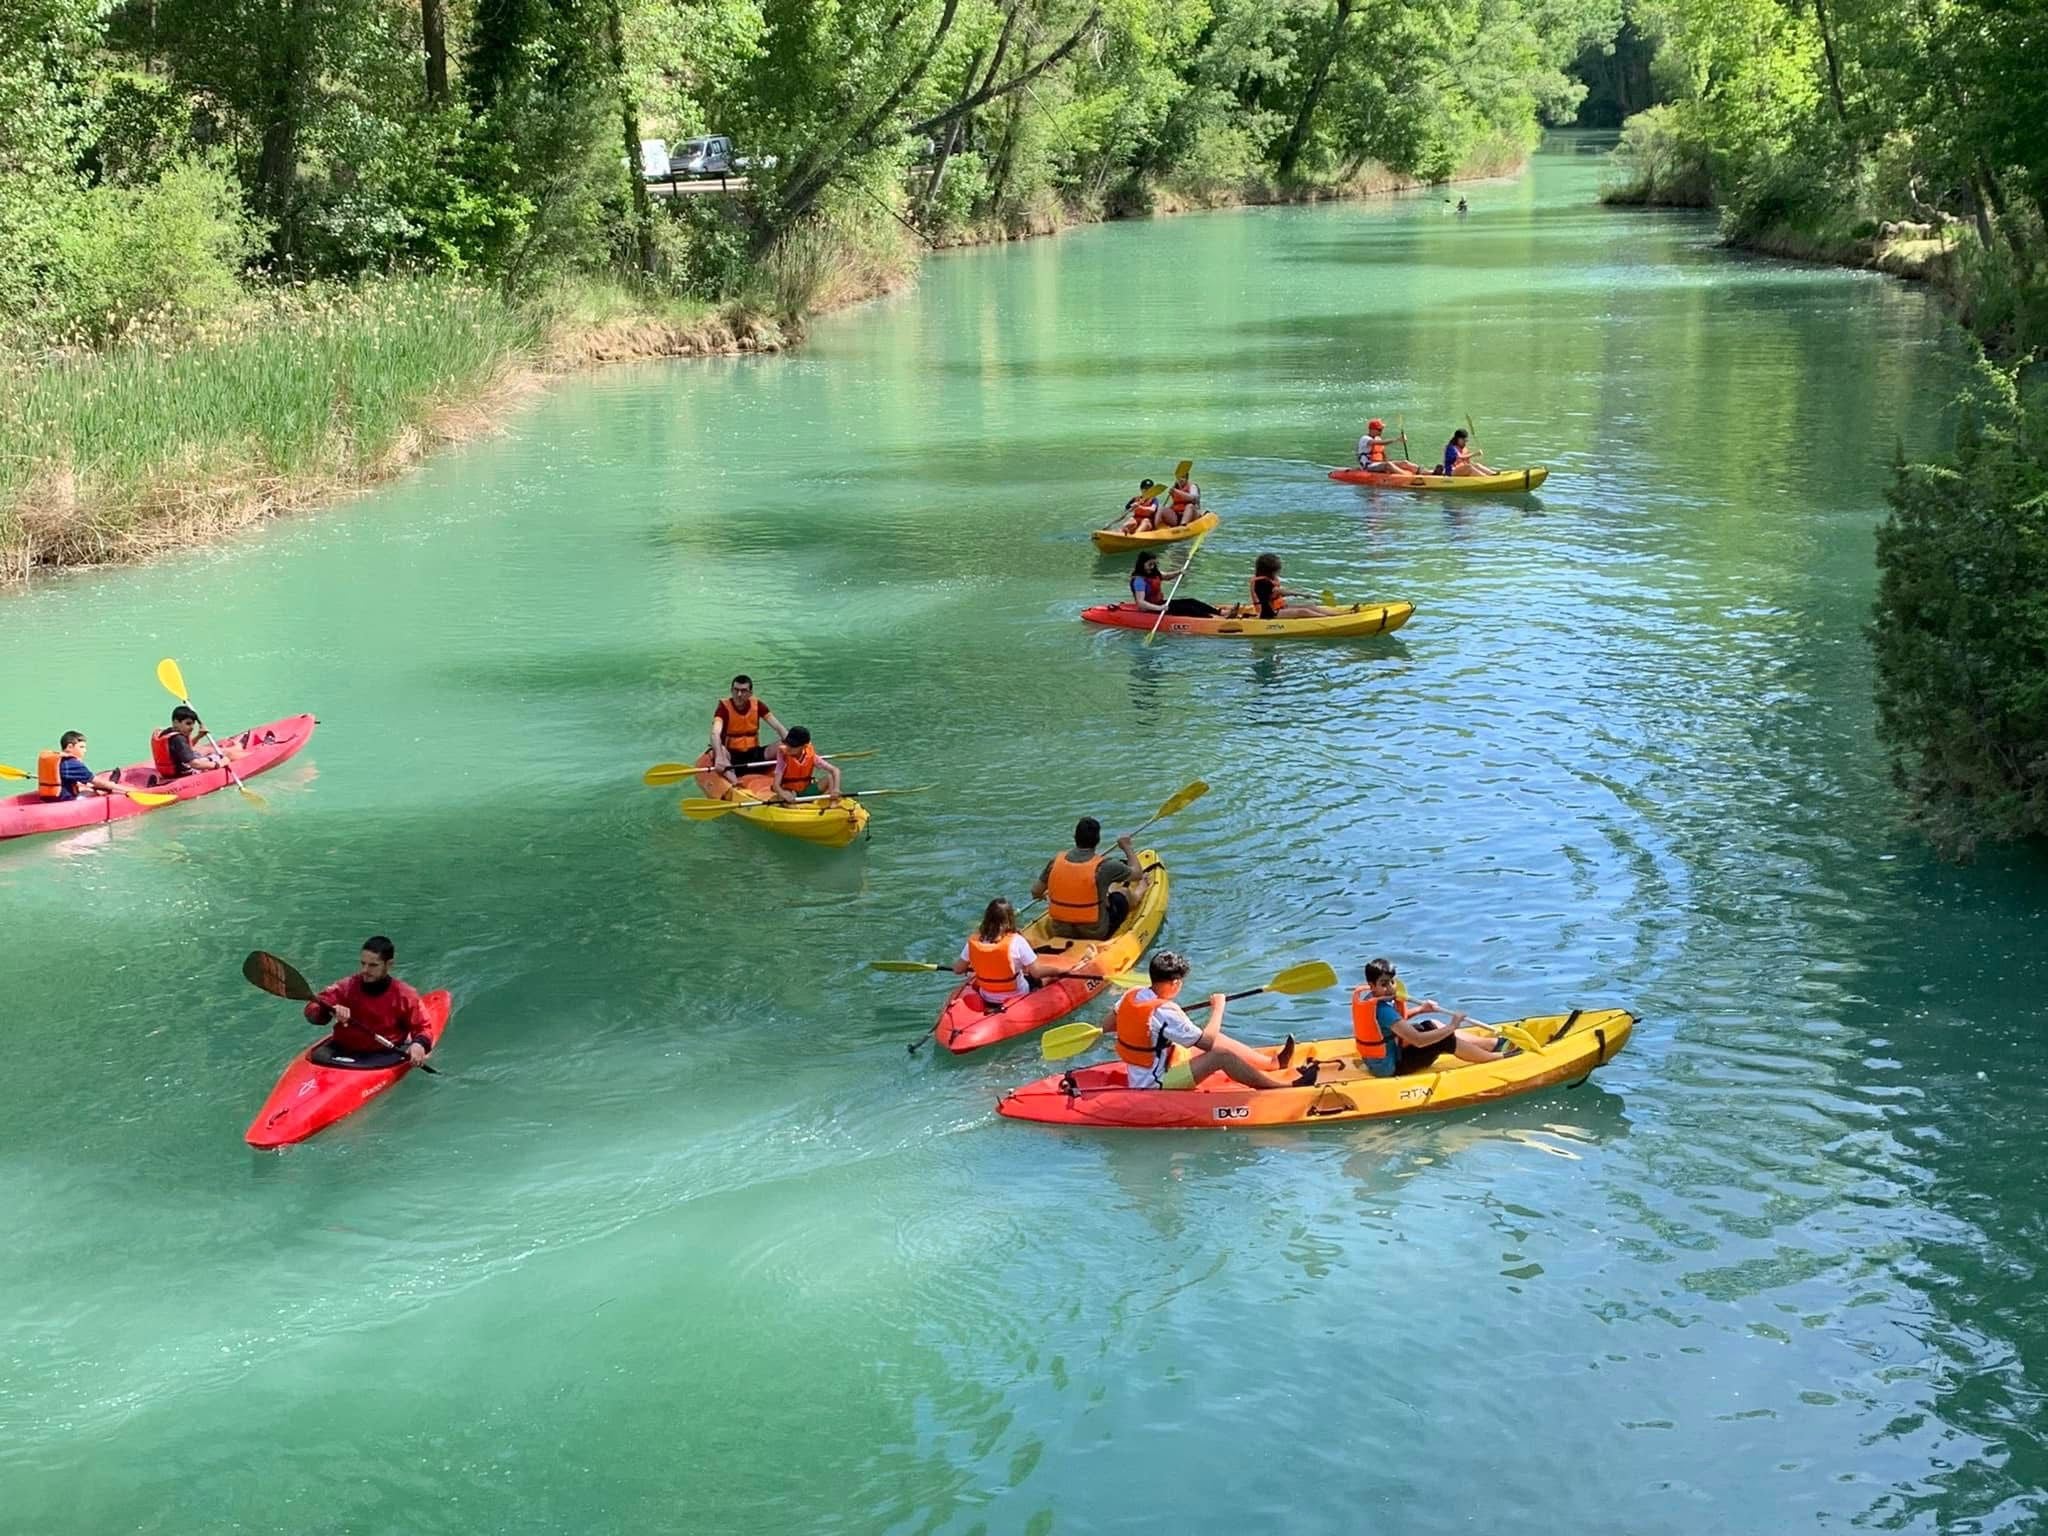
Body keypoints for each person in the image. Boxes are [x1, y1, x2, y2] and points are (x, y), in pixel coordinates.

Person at [1113, 951, 1317, 1090]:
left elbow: (1110, 1024)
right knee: (1221, 1055)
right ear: (1175, 983)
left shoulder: (1133, 994)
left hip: (1151, 1068)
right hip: (1155, 1083)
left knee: (1216, 1038)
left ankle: (1273, 1063)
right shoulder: (1165, 1011)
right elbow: (1207, 1043)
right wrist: (1218, 1007)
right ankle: (1280, 1087)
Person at [1350, 957, 1514, 1076]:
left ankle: (1493, 1044)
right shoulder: (1383, 1010)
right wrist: (1452, 1026)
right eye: (1384, 984)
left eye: (1392, 982)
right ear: (1372, 985)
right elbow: (1418, 1041)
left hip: (1382, 1058)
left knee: (1431, 1024)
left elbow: (1395, 1023)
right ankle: (1494, 1058)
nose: (1391, 988)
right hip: (1390, 1067)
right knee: (1444, 1039)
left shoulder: (1371, 999)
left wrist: (1421, 1009)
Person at [303, 936, 435, 1066]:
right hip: (344, 1049)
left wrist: (419, 1044)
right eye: (363, 964)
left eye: (373, 965)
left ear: (389, 964)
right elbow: (312, 1008)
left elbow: (424, 1028)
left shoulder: (405, 995)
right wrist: (329, 1010)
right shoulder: (346, 987)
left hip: (383, 1053)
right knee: (317, 1055)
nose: (365, 970)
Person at [1033, 817, 1152, 941]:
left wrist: (1046, 896)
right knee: (1124, 893)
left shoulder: (1055, 862)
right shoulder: (1105, 866)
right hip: (1094, 932)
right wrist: (1127, 847)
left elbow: (1035, 892)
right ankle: (1139, 893)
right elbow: (1137, 874)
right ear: (1097, 840)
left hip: (1060, 930)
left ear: (1074, 837)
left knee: (1106, 888)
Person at [952, 898, 1057, 1005]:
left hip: (987, 996)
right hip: (1018, 995)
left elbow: (958, 969)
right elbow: (1037, 972)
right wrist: (1061, 971)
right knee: (1046, 978)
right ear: (1009, 921)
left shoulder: (974, 941)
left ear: (987, 918)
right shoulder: (1017, 941)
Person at [710, 675, 787, 786]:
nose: (739, 694)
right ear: (731, 691)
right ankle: (735, 783)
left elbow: (778, 727)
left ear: (750, 693)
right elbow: (715, 733)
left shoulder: (758, 705)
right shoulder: (723, 708)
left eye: (743, 691)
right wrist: (719, 757)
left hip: (754, 754)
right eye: (736, 690)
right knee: (719, 750)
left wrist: (793, 746)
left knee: (784, 745)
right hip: (732, 758)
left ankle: (787, 778)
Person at [39, 731, 143, 802]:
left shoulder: (57, 759)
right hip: (65, 801)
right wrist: (128, 789)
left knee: (86, 787)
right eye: (81, 747)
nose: (85, 750)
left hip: (49, 798)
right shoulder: (72, 764)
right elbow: (97, 782)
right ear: (70, 747)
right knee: (95, 791)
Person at [149, 705, 242, 780]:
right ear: (176, 722)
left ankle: (235, 748)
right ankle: (242, 754)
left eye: (193, 724)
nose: (192, 727)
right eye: (188, 723)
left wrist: (199, 736)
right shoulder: (178, 739)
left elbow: (182, 750)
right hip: (182, 773)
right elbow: (195, 764)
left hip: (167, 773)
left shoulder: (166, 732)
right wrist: (219, 764)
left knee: (205, 750)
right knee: (228, 755)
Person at [1243, 553, 1339, 619]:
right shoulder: (1261, 582)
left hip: (1278, 608)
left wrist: (1302, 593)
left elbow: (1277, 594)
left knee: (1309, 606)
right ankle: (1329, 620)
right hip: (1268, 614)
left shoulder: (1267, 580)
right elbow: (1281, 592)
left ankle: (1339, 615)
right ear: (1270, 570)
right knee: (1302, 612)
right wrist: (1302, 594)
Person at [1126, 552, 1218, 617]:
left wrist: (1178, 572)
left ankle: (1219, 612)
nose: (1152, 567)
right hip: (1150, 609)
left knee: (1191, 601)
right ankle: (1210, 619)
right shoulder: (1139, 581)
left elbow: (1166, 576)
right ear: (1142, 564)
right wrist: (1159, 608)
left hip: (1160, 604)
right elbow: (1141, 603)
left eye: (1154, 564)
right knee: (1189, 609)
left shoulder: (1153, 572)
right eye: (1150, 564)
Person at [769, 725, 842, 805]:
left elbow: (835, 770)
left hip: (806, 790)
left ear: (804, 746)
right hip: (791, 792)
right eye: (788, 744)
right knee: (785, 796)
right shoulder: (783, 756)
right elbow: (776, 785)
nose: (789, 748)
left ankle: (833, 804)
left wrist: (836, 789)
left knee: (830, 778)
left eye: (793, 746)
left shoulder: (812, 757)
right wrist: (782, 793)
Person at [1354, 418, 1419, 475]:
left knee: (1404, 463)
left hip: (1379, 464)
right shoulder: (1365, 439)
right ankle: (1408, 476)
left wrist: (1389, 464)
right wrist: (1397, 440)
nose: (1381, 432)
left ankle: (1422, 472)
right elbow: (1380, 443)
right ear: (1372, 430)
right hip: (1368, 466)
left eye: (1382, 429)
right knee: (1388, 465)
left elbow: (1383, 454)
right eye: (1379, 430)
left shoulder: (1378, 438)